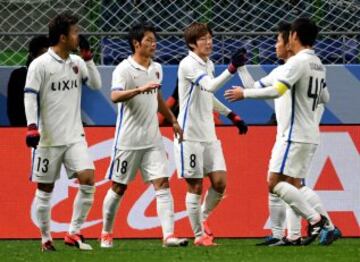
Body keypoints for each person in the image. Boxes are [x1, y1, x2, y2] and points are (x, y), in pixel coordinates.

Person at [225, 18, 335, 246]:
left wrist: (243, 95)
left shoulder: (296, 64)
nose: (276, 43)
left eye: (279, 39)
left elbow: (277, 90)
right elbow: (325, 98)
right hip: (307, 134)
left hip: (293, 135)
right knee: (294, 185)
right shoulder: (317, 64)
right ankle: (302, 232)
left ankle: (318, 221)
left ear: (293, 37)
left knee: (275, 183)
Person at [100, 22, 188, 248]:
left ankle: (168, 236)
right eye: (148, 40)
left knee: (162, 184)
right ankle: (106, 233)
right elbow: (115, 96)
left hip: (152, 140)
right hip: (127, 141)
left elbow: (157, 97)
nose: (153, 44)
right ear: (136, 43)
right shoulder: (124, 69)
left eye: (154, 40)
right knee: (118, 188)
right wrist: (139, 89)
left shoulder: (156, 67)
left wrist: (173, 120)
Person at [24, 12, 102, 252]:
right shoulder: (40, 65)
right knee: (45, 189)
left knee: (88, 179)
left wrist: (89, 60)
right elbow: (30, 95)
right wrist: (31, 127)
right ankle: (46, 237)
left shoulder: (77, 62)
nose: (79, 36)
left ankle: (73, 232)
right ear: (62, 37)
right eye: (75, 32)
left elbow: (96, 85)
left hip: (74, 136)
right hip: (48, 139)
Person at [175, 22, 248, 247]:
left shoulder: (209, 63)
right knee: (195, 185)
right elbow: (211, 87)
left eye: (209, 37)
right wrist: (232, 69)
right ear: (191, 43)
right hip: (190, 135)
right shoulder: (188, 64)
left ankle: (202, 218)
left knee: (219, 183)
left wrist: (231, 115)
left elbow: (207, 96)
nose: (208, 42)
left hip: (209, 134)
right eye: (203, 39)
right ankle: (199, 235)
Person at [7, 36, 49, 126]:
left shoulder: (55, 75)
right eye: (42, 55)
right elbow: (14, 110)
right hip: (25, 128)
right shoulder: (19, 76)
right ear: (32, 55)